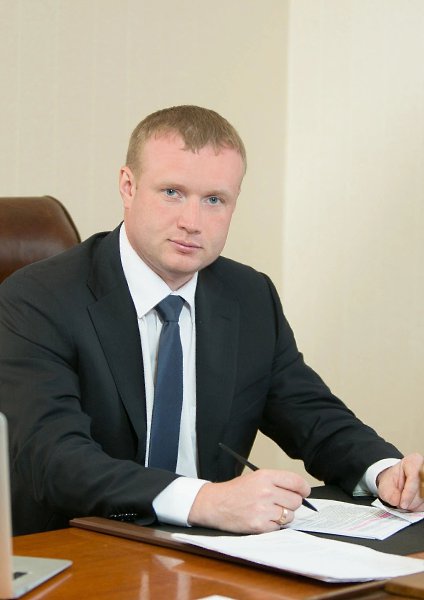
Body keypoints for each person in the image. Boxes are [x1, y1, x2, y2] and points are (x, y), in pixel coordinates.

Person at [0, 105, 422, 536]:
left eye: (214, 200)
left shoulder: (248, 295)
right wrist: (204, 500)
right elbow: (52, 457)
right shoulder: (38, 298)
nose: (192, 223)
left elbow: (312, 416)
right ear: (128, 186)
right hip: (76, 546)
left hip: (207, 549)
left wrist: (385, 471)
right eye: (172, 192)